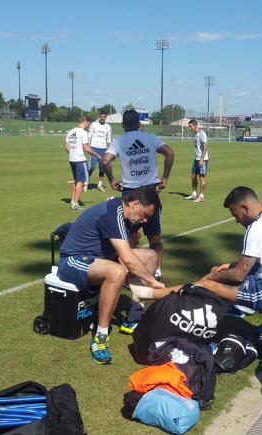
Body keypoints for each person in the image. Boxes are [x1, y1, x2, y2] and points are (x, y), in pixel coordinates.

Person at [57, 187, 165, 364]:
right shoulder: (112, 213)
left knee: (151, 256)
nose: (144, 220)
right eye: (144, 215)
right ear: (135, 203)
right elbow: (128, 259)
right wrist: (152, 282)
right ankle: (100, 337)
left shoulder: (126, 213)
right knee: (117, 271)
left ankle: (133, 319)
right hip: (72, 260)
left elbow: (132, 249)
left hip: (101, 259)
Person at [174, 186, 262, 315]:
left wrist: (211, 277)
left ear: (245, 208)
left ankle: (173, 301)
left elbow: (238, 275)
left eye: (236, 215)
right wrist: (231, 265)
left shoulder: (257, 227)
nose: (236, 220)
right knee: (223, 274)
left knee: (209, 284)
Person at [102, 109, 175, 333]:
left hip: (131, 195)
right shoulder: (150, 138)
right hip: (150, 193)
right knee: (155, 237)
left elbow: (105, 160)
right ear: (140, 124)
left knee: (128, 238)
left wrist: (112, 179)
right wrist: (165, 177)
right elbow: (170, 153)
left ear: (123, 124)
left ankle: (127, 273)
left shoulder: (118, 141)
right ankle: (157, 273)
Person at [65, 116, 99, 210]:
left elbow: (66, 147)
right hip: (80, 160)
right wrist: (97, 155)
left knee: (77, 180)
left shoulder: (71, 131)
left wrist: (72, 153)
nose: (89, 126)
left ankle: (73, 200)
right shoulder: (83, 132)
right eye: (89, 124)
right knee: (81, 181)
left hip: (72, 160)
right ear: (85, 122)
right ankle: (75, 203)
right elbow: (86, 148)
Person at [87, 111, 112, 192]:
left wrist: (110, 150)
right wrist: (88, 147)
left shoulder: (108, 127)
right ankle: (85, 183)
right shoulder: (94, 124)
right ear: (99, 117)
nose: (102, 118)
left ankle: (100, 185)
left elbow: (108, 139)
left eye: (103, 116)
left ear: (106, 117)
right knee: (92, 167)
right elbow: (89, 135)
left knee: (102, 169)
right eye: (101, 116)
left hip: (103, 150)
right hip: (94, 148)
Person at [184, 119, 209, 202]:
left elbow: (205, 146)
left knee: (201, 177)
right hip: (196, 159)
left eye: (190, 126)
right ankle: (194, 194)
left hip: (203, 159)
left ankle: (201, 196)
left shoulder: (202, 133)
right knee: (193, 176)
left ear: (195, 126)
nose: (189, 128)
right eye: (189, 126)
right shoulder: (195, 135)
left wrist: (202, 159)